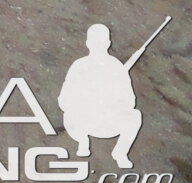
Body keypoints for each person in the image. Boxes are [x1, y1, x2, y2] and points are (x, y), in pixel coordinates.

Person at [57, 23, 143, 167]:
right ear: (88, 43)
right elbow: (64, 99)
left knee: (135, 116)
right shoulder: (79, 66)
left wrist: (111, 100)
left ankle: (120, 153)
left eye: (100, 41)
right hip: (83, 121)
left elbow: (129, 101)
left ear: (108, 43)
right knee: (70, 114)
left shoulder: (116, 67)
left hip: (108, 121)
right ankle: (83, 142)